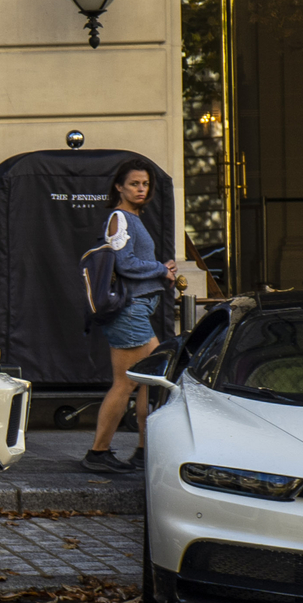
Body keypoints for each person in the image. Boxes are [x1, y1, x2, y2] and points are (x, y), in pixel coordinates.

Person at [85, 156, 177, 474]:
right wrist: (160, 269)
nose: (141, 189)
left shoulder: (132, 218)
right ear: (119, 187)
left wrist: (160, 272)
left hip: (136, 311)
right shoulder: (120, 218)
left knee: (147, 382)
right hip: (129, 312)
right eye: (134, 184)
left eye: (145, 184)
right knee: (130, 383)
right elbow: (125, 264)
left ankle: (142, 450)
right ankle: (98, 453)